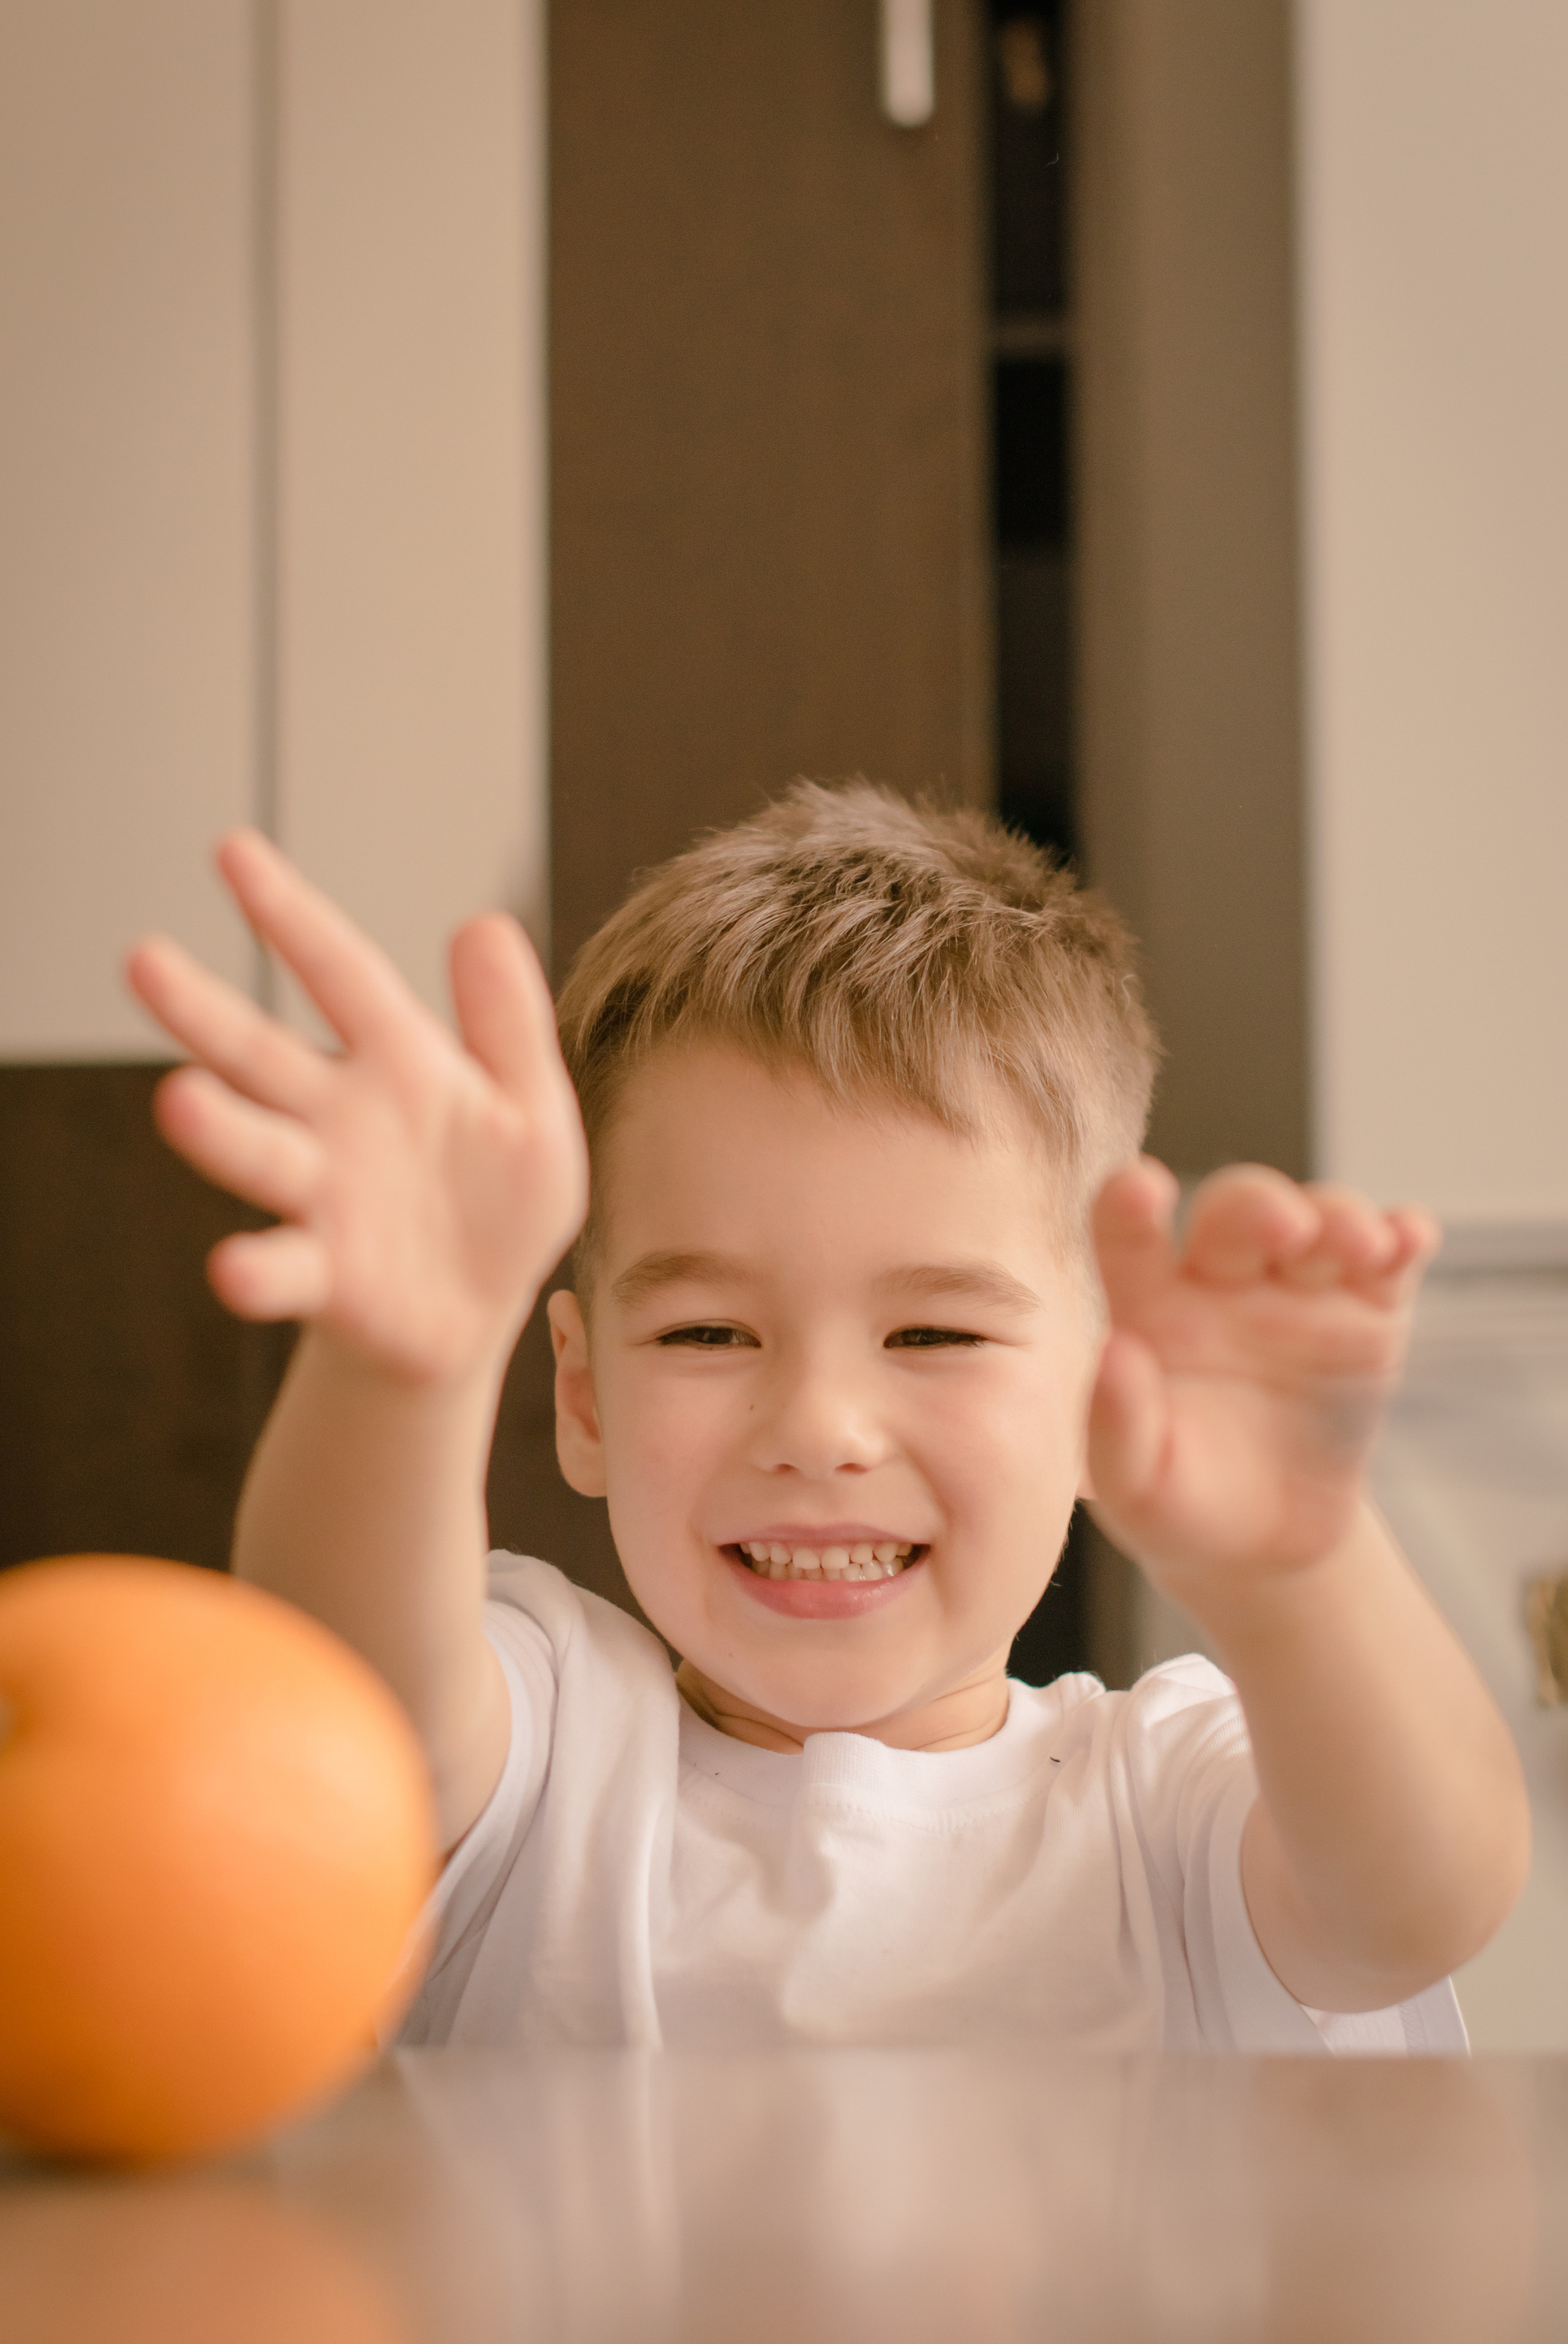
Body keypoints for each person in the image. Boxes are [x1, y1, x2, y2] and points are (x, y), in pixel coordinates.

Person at [126, 783, 1528, 2054]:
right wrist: (400, 1373)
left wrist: (1294, 1574)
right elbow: (340, 1728)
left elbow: (1417, 1898)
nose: (818, 1426)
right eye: (706, 1333)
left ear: (1099, 1386)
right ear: (581, 1393)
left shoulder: (1167, 1802)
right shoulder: (550, 1750)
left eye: (932, 1332)